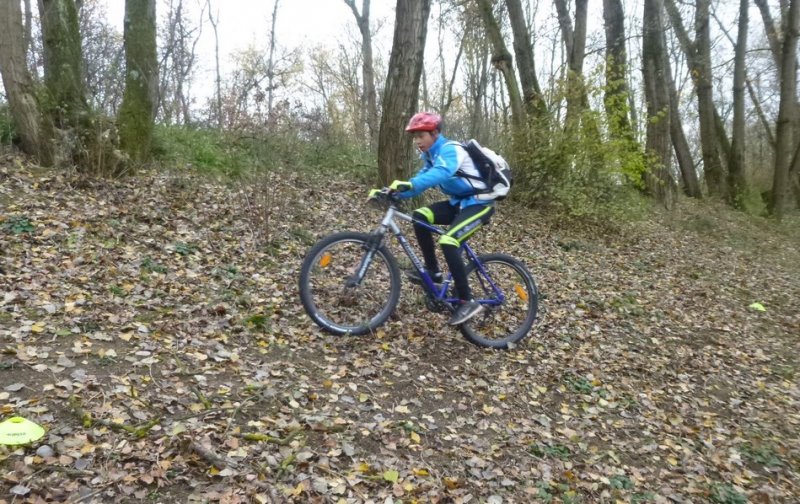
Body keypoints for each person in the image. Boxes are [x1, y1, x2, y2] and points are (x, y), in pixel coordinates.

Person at [381, 111, 495, 326]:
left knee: (449, 241)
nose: (417, 141)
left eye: (420, 136)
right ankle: (433, 272)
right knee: (420, 215)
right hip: (458, 203)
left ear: (434, 133)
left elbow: (441, 173)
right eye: (414, 137)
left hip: (479, 204)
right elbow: (421, 179)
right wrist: (393, 191)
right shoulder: (431, 157)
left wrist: (411, 185)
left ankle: (466, 300)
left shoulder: (450, 150)